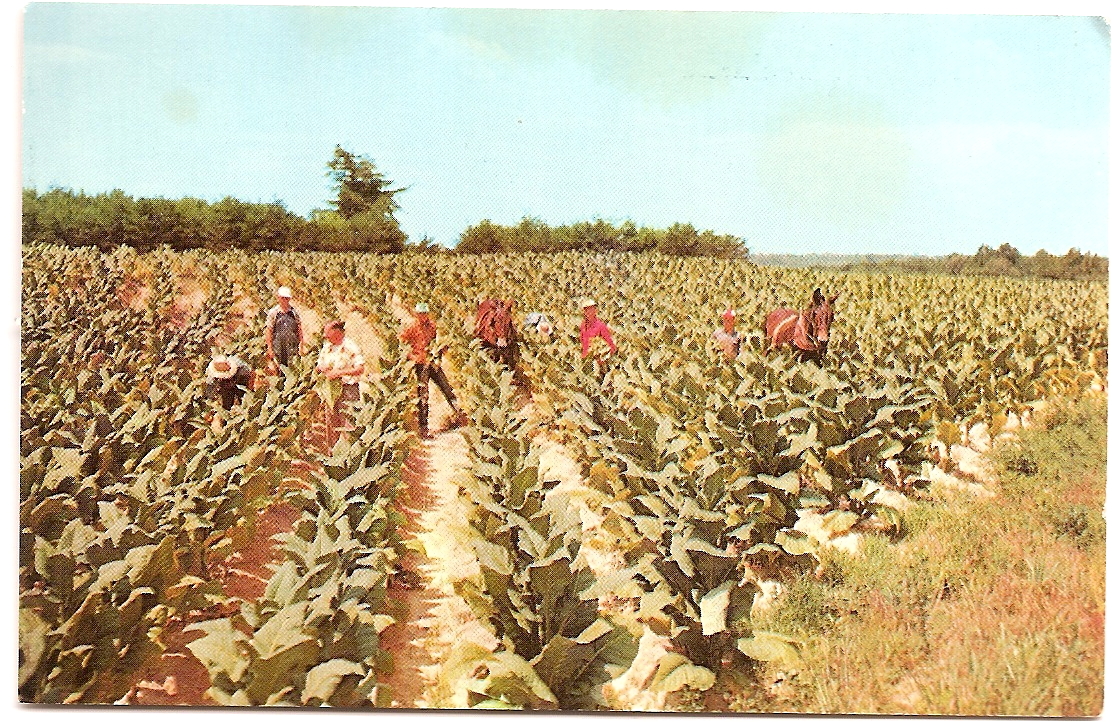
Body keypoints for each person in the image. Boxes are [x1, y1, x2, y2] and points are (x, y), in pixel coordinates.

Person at [400, 302, 465, 439]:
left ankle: (461, 418)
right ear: (417, 314)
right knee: (423, 396)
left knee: (447, 388)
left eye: (425, 314)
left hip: (433, 363)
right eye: (421, 314)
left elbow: (436, 343)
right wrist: (412, 356)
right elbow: (402, 343)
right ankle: (424, 429)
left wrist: (441, 350)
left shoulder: (432, 326)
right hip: (420, 365)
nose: (423, 316)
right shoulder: (412, 327)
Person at [315, 319, 365, 432]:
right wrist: (322, 368)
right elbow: (318, 366)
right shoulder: (327, 347)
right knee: (332, 425)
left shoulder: (351, 346)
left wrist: (339, 373)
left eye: (328, 333)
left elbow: (360, 369)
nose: (325, 336)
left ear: (337, 332)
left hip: (348, 390)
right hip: (330, 391)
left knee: (349, 424)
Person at [265, 286, 304, 368]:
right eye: (282, 298)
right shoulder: (273, 313)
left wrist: (301, 345)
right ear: (278, 298)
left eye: (286, 298)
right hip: (277, 346)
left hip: (292, 346)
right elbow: (269, 331)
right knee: (279, 368)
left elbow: (299, 329)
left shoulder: (294, 313)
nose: (284, 300)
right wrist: (270, 348)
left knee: (292, 368)